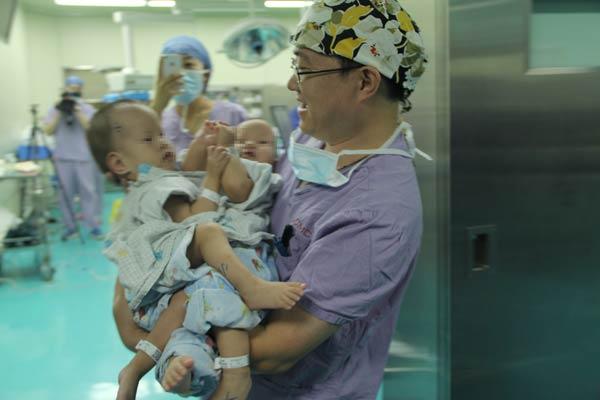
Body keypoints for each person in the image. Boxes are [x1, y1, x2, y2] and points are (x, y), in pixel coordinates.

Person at [114, 0, 429, 398]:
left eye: (304, 68)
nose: (292, 84)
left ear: (365, 82)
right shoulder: (314, 144)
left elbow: (277, 350)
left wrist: (142, 331)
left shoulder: (378, 213)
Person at [86, 101, 304, 400]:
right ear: (119, 163)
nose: (163, 142)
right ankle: (251, 289)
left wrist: (203, 141)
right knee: (210, 234)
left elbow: (188, 168)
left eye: (161, 134)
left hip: (160, 283)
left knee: (188, 318)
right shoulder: (158, 186)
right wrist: (214, 175)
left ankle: (163, 370)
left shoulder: (154, 179)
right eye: (149, 139)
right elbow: (195, 219)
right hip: (165, 260)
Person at [152, 35, 248, 154]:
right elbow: (141, 161)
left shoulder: (233, 114)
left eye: (188, 65)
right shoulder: (159, 120)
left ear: (206, 74)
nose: (180, 74)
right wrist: (157, 105)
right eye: (173, 66)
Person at [43, 75, 104, 240]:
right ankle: (70, 227)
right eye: (70, 88)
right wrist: (59, 112)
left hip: (84, 158)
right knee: (65, 195)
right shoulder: (55, 109)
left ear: (81, 90)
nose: (73, 90)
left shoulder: (87, 108)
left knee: (88, 193)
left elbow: (90, 128)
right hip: (63, 158)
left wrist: (77, 110)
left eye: (76, 88)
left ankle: (93, 226)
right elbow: (48, 131)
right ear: (65, 89)